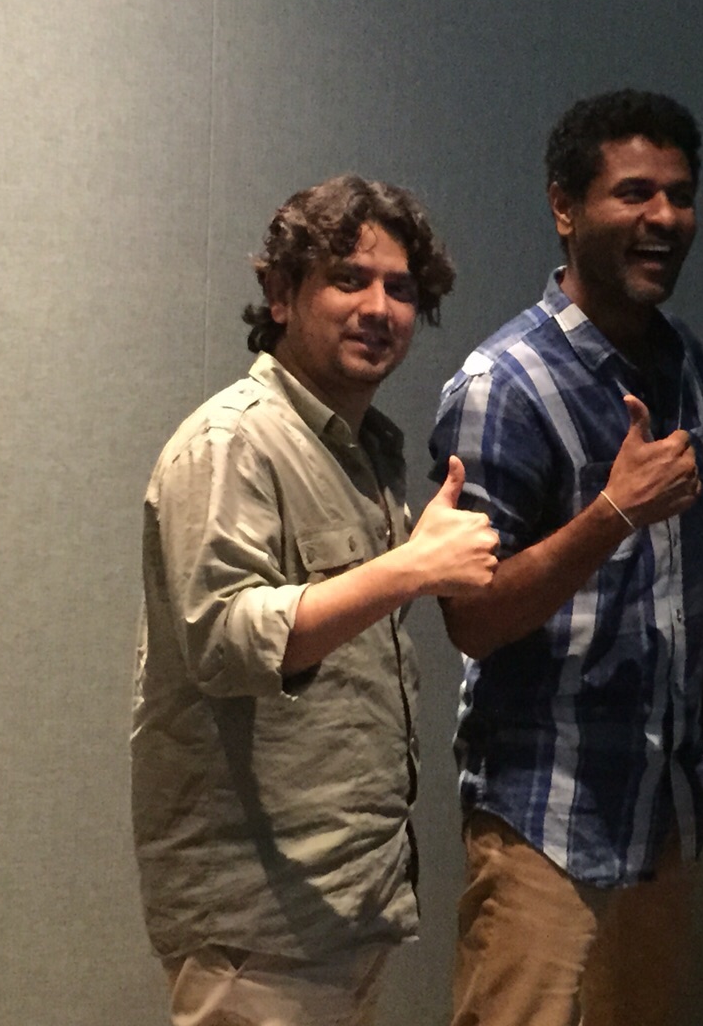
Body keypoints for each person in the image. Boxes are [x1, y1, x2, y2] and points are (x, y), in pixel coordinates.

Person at [132, 174, 500, 1026]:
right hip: (256, 924)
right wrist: (408, 569)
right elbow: (224, 639)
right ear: (280, 294)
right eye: (348, 279)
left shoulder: (362, 451)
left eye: (399, 288)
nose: (378, 308)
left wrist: (405, 565)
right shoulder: (232, 442)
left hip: (341, 906)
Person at [429, 89, 703, 1026]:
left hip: (660, 811)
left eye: (680, 196)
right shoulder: (502, 386)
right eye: (634, 193)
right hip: (543, 821)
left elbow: (685, 574)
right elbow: (471, 618)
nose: (664, 218)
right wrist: (611, 512)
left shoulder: (682, 362)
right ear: (565, 207)